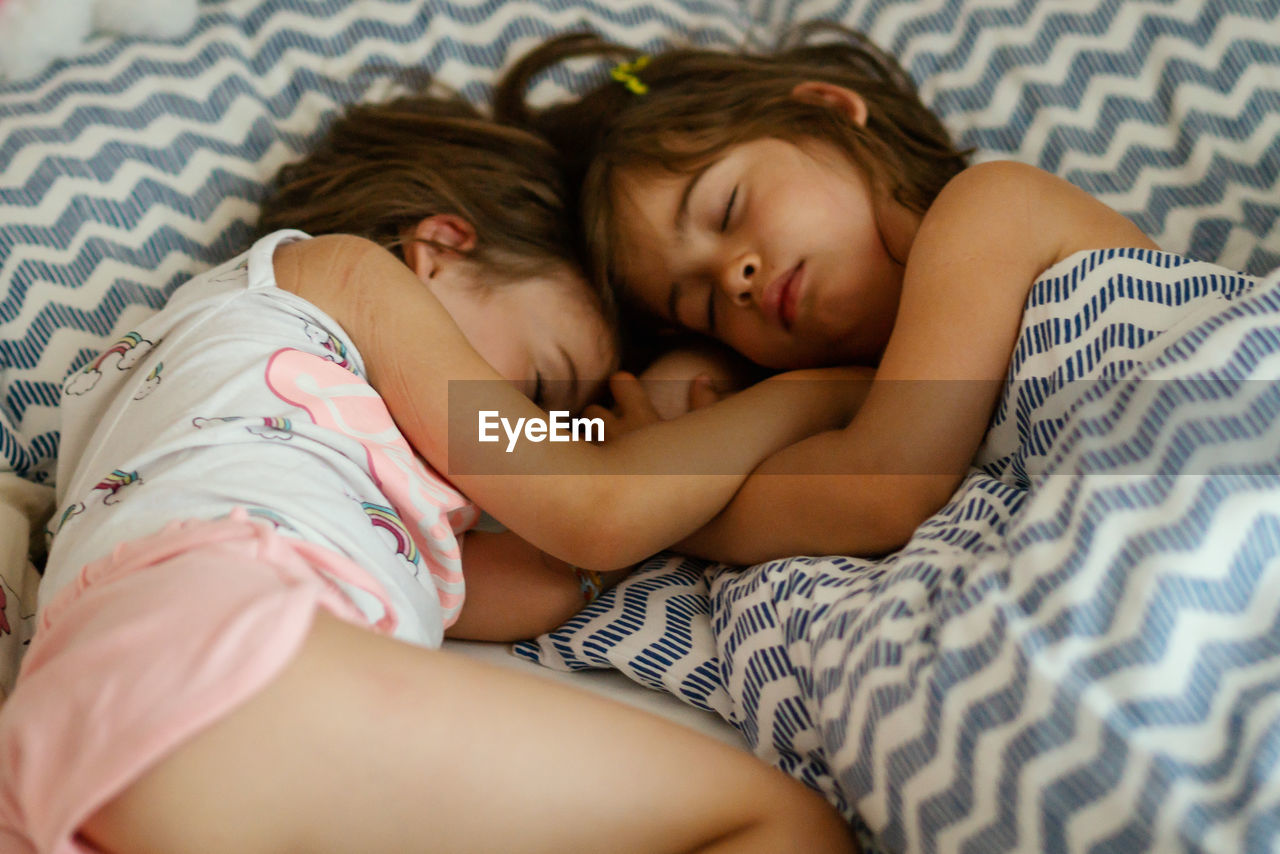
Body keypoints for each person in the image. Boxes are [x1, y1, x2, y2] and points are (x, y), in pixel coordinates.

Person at [0, 90, 863, 854]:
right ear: (439, 250)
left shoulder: (267, 433)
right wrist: (810, 393)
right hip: (216, 656)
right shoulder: (339, 275)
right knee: (776, 826)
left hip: (72, 740)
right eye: (540, 389)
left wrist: (648, 467)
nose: (536, 432)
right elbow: (588, 504)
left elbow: (537, 572)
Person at [495, 26, 1162, 565]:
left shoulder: (991, 207)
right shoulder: (868, 397)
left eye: (727, 208)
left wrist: (662, 514)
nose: (734, 278)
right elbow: (677, 401)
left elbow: (880, 494)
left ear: (827, 111)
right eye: (701, 305)